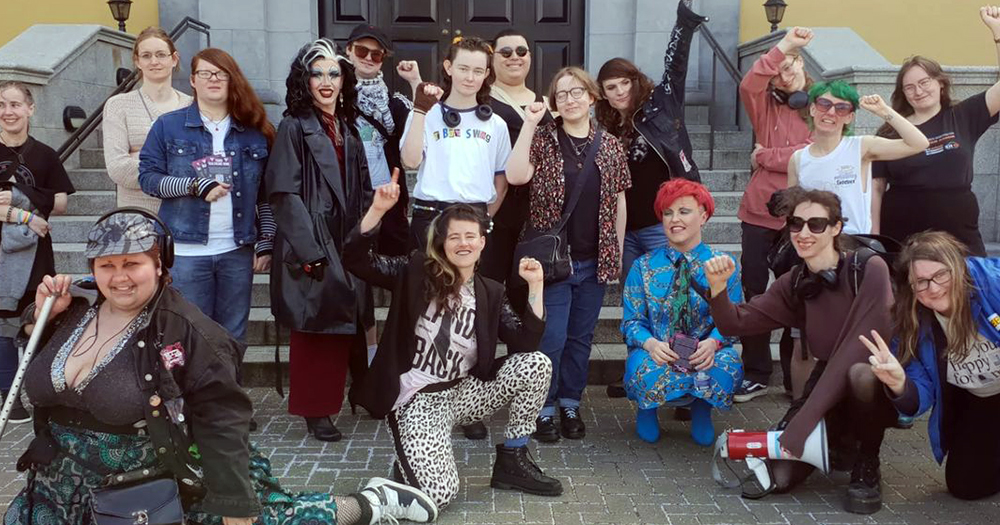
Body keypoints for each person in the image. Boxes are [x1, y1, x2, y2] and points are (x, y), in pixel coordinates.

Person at [4, 209, 439, 525]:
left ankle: (369, 504)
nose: (120, 277)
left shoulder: (190, 333)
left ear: (160, 264)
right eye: (107, 266)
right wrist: (42, 321)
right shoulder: (74, 311)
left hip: (147, 488)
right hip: (54, 491)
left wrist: (234, 506)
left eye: (132, 263)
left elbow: (221, 419)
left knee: (276, 519)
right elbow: (50, 381)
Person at [343, 172, 563, 511]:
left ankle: (513, 461)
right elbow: (357, 260)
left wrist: (536, 286)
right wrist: (377, 210)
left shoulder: (491, 291)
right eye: (454, 237)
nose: (463, 243)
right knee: (440, 495)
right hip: (418, 399)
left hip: (464, 393)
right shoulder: (415, 271)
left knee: (536, 364)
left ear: (482, 243)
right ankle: (396, 479)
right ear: (443, 243)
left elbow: (525, 344)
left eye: (470, 236)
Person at [703, 187, 898, 514]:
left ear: (836, 228)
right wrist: (719, 289)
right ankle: (839, 443)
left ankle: (868, 459)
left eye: (816, 224)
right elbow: (735, 323)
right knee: (778, 478)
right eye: (796, 224)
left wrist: (800, 426)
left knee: (861, 375)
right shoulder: (796, 282)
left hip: (874, 375)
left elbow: (855, 350)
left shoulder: (868, 268)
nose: (804, 233)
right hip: (826, 379)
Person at [506, 67, 631, 442]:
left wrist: (618, 251)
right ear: (554, 103)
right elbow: (514, 176)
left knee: (581, 337)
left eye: (577, 92)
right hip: (552, 263)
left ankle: (570, 402)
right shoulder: (543, 138)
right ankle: (542, 408)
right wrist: (529, 123)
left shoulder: (609, 145)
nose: (570, 99)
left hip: (594, 260)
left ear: (592, 98)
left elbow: (619, 201)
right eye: (561, 94)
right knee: (552, 337)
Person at [595, 0, 707, 401]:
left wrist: (685, 23)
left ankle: (683, 381)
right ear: (603, 94)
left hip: (664, 227)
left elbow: (675, 65)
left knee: (677, 303)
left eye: (624, 82)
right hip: (628, 231)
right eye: (611, 87)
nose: (620, 91)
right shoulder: (605, 125)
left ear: (634, 80)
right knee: (638, 307)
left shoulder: (661, 104)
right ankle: (637, 373)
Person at [265, 39, 374, 442]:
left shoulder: (347, 128)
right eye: (317, 73)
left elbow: (362, 189)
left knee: (350, 322)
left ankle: (358, 393)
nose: (326, 81)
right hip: (310, 239)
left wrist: (365, 233)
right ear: (304, 80)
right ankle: (316, 409)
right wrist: (309, 249)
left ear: (344, 80)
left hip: (346, 239)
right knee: (315, 328)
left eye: (334, 73)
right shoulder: (294, 126)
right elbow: (283, 192)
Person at [139, 48, 275, 342]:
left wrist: (266, 239)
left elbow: (267, 194)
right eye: (205, 73)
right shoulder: (168, 126)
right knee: (189, 336)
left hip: (236, 251)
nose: (213, 79)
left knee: (233, 336)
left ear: (232, 80)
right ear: (192, 80)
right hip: (186, 252)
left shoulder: (255, 131)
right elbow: (148, 179)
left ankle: (227, 390)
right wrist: (192, 185)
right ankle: (192, 391)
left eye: (221, 73)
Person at [862, 231, 1000, 501]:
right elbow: (920, 396)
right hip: (979, 399)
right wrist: (899, 384)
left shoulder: (992, 283)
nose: (933, 288)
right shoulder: (914, 323)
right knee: (965, 486)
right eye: (922, 282)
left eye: (940, 275)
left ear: (958, 267)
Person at [466, 28, 555, 441]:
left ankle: (524, 401)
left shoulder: (547, 105)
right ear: (493, 59)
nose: (515, 56)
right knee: (483, 309)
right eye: (506, 51)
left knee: (525, 310)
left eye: (522, 50)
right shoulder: (482, 104)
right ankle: (473, 402)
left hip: (537, 225)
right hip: (494, 222)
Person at [621, 179, 743, 446]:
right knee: (638, 365)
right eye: (668, 213)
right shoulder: (643, 266)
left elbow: (734, 320)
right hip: (660, 351)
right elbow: (632, 322)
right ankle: (647, 408)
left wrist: (713, 343)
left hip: (704, 353)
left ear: (704, 216)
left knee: (729, 363)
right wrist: (652, 344)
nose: (674, 219)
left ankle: (701, 410)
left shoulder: (724, 265)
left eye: (684, 211)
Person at [873, 6, 1000, 256]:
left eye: (924, 82)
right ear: (903, 93)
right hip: (901, 232)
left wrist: (997, 33)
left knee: (968, 292)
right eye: (910, 87)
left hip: (959, 233)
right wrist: (875, 240)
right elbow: (876, 189)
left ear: (940, 83)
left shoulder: (963, 115)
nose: (918, 91)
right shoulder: (889, 130)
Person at [734, 26, 814, 402]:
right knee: (753, 292)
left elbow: (808, 154)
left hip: (797, 220)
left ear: (804, 66)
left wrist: (765, 156)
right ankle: (755, 372)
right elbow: (750, 83)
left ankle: (792, 375)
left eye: (792, 64)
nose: (786, 72)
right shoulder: (763, 105)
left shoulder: (821, 107)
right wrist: (784, 47)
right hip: (756, 214)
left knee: (797, 293)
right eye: (781, 66)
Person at [0, 80, 76, 425]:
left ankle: (43, 391)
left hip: (34, 252)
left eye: (15, 104)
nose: (7, 112)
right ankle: (8, 395)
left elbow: (60, 203)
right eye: (2, 105)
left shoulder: (45, 154)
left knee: (39, 315)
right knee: (2, 323)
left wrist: (19, 200)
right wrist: (25, 215)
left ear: (30, 109)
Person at [399, 36, 512, 252]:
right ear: (449, 68)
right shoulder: (426, 113)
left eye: (478, 71)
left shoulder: (496, 125)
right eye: (463, 68)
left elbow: (502, 180)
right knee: (426, 284)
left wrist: (485, 218)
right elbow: (410, 161)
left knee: (469, 286)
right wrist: (421, 111)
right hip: (430, 218)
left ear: (487, 74)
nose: (470, 78)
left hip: (474, 219)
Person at [787, 81, 930, 236]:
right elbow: (791, 209)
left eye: (841, 108)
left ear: (850, 117)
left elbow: (919, 143)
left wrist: (883, 111)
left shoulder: (861, 147)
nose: (831, 112)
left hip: (852, 243)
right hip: (813, 243)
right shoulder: (798, 159)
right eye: (824, 104)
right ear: (813, 109)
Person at [346, 23, 420, 256]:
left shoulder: (394, 103)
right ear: (348, 50)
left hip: (388, 195)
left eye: (376, 54)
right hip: (349, 194)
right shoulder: (334, 96)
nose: (368, 58)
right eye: (361, 51)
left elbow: (423, 121)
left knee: (394, 263)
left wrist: (415, 81)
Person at [103, 26, 193, 212]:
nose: (154, 61)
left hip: (184, 213)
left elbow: (201, 163)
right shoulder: (118, 105)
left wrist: (140, 155)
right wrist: (178, 164)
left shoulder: (192, 107)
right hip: (138, 216)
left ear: (174, 59)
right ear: (137, 61)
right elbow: (118, 169)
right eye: (146, 55)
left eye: (161, 54)